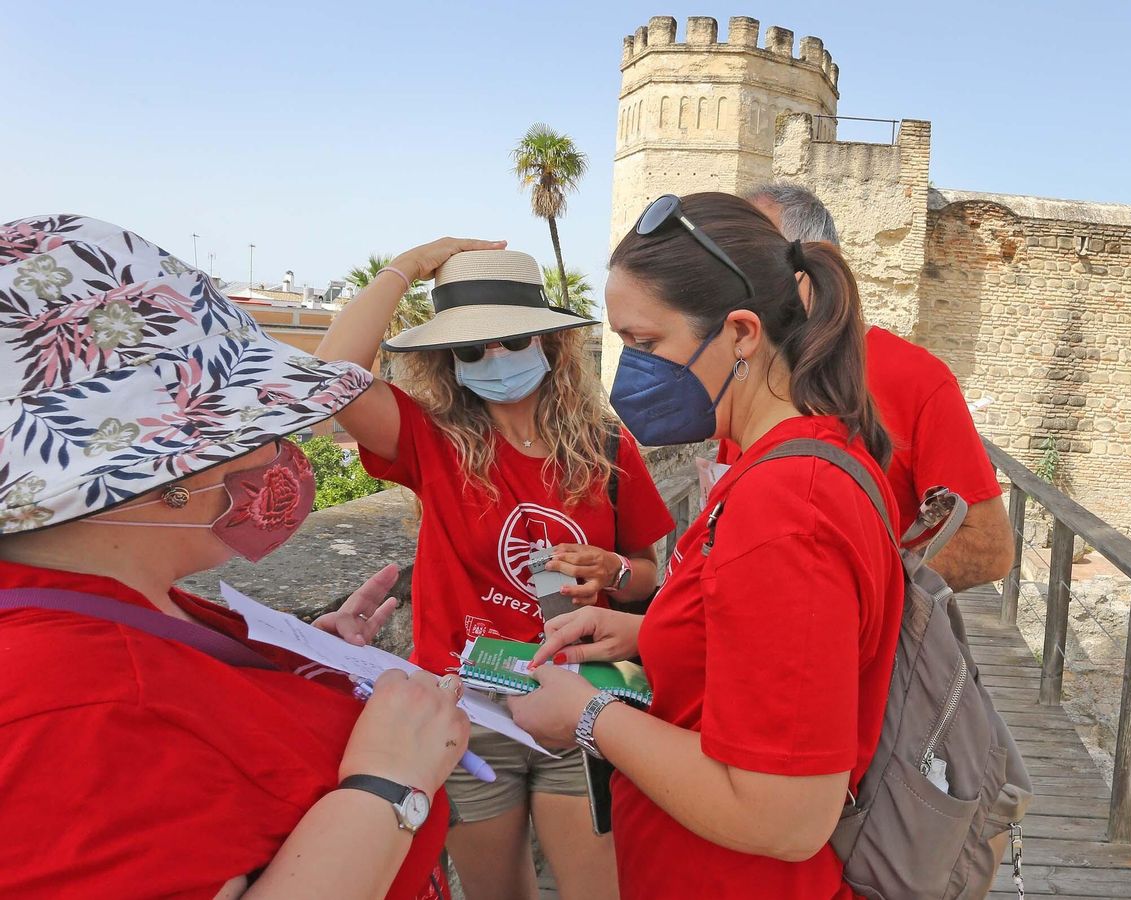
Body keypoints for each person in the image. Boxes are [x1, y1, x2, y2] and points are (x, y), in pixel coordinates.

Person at [0, 214, 469, 899]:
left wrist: (298, 664)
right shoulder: (72, 706)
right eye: (262, 424)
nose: (283, 453)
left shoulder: (105, 600)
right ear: (167, 473)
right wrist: (390, 784)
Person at [508, 192, 904, 900]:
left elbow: (785, 816)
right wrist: (646, 630)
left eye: (646, 343)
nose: (631, 372)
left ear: (743, 333)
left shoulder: (789, 506)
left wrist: (587, 715)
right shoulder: (788, 460)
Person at [315, 244, 675, 900]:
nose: (494, 361)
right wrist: (410, 265)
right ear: (448, 361)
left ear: (547, 342)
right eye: (471, 349)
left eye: (510, 341)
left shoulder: (606, 446)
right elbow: (330, 379)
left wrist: (616, 571)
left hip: (581, 690)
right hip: (468, 703)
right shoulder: (431, 440)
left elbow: (651, 575)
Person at [722, 182, 1014, 592]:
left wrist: (851, 592)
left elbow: (989, 548)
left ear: (821, 264)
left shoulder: (917, 378)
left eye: (754, 263)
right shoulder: (741, 373)